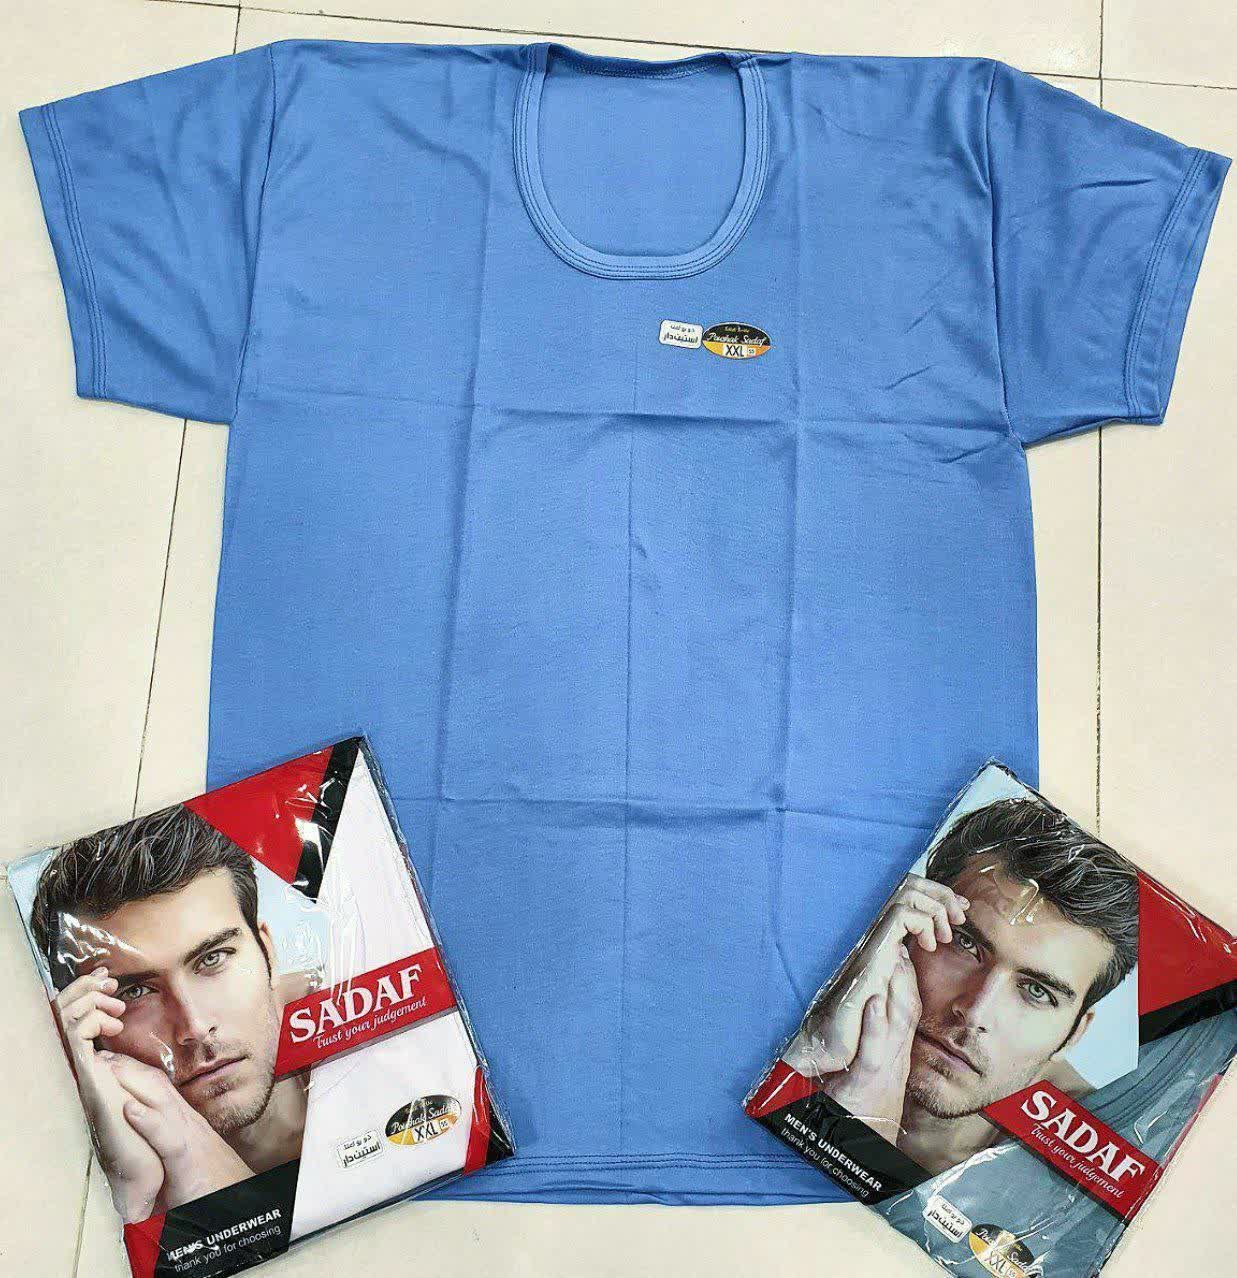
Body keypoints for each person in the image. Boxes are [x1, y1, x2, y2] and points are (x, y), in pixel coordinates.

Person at [783, 798, 1139, 1174]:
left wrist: (867, 1138)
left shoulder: (1088, 1160)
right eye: (964, 943)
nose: (975, 1011)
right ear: (907, 923)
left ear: (1073, 1034)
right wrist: (809, 1054)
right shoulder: (802, 962)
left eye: (1037, 991)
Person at [29, 806, 310, 1222]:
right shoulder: (48, 1154)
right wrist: (130, 1194)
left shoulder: (365, 1026)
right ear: (92, 1030)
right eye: (136, 992)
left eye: (213, 958)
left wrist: (201, 1159)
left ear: (267, 953)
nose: (194, 1026)